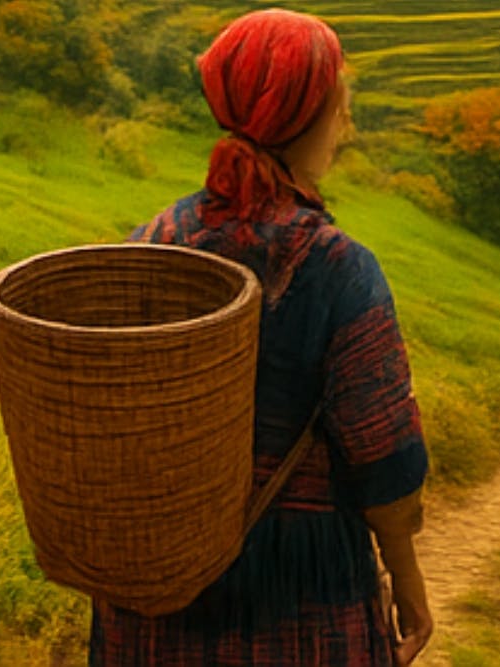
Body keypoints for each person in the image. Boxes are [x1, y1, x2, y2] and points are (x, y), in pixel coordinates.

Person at [90, 9, 432, 666]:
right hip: (301, 594)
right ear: (308, 116)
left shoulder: (151, 241)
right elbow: (386, 467)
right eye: (340, 105)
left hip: (156, 588)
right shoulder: (338, 267)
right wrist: (410, 588)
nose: (347, 124)